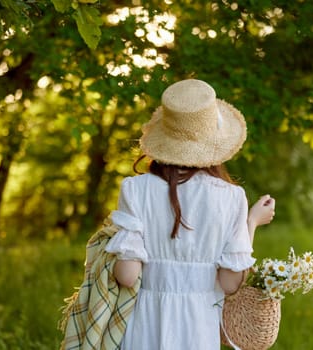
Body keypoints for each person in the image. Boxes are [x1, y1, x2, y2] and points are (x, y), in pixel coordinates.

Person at [104, 79, 275, 350]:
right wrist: (251, 222)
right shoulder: (231, 197)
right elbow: (230, 284)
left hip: (144, 323)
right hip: (199, 326)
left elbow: (126, 276)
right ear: (214, 143)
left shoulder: (134, 190)